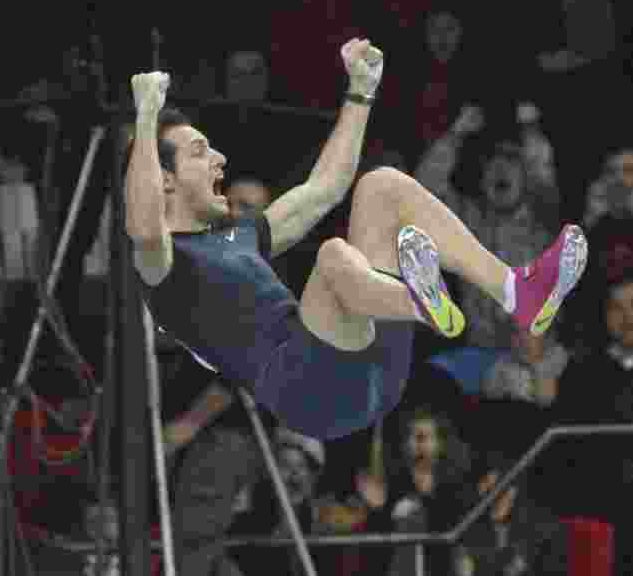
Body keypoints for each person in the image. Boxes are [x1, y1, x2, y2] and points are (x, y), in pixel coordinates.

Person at [124, 37, 587, 441]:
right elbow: (145, 227)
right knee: (332, 256)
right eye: (201, 151)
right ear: (163, 179)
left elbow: (325, 187)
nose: (220, 158)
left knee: (382, 185)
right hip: (307, 393)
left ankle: (516, 291)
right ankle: (418, 301)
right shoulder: (166, 268)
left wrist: (361, 92)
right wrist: (146, 116)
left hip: (373, 372)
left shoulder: (242, 236)